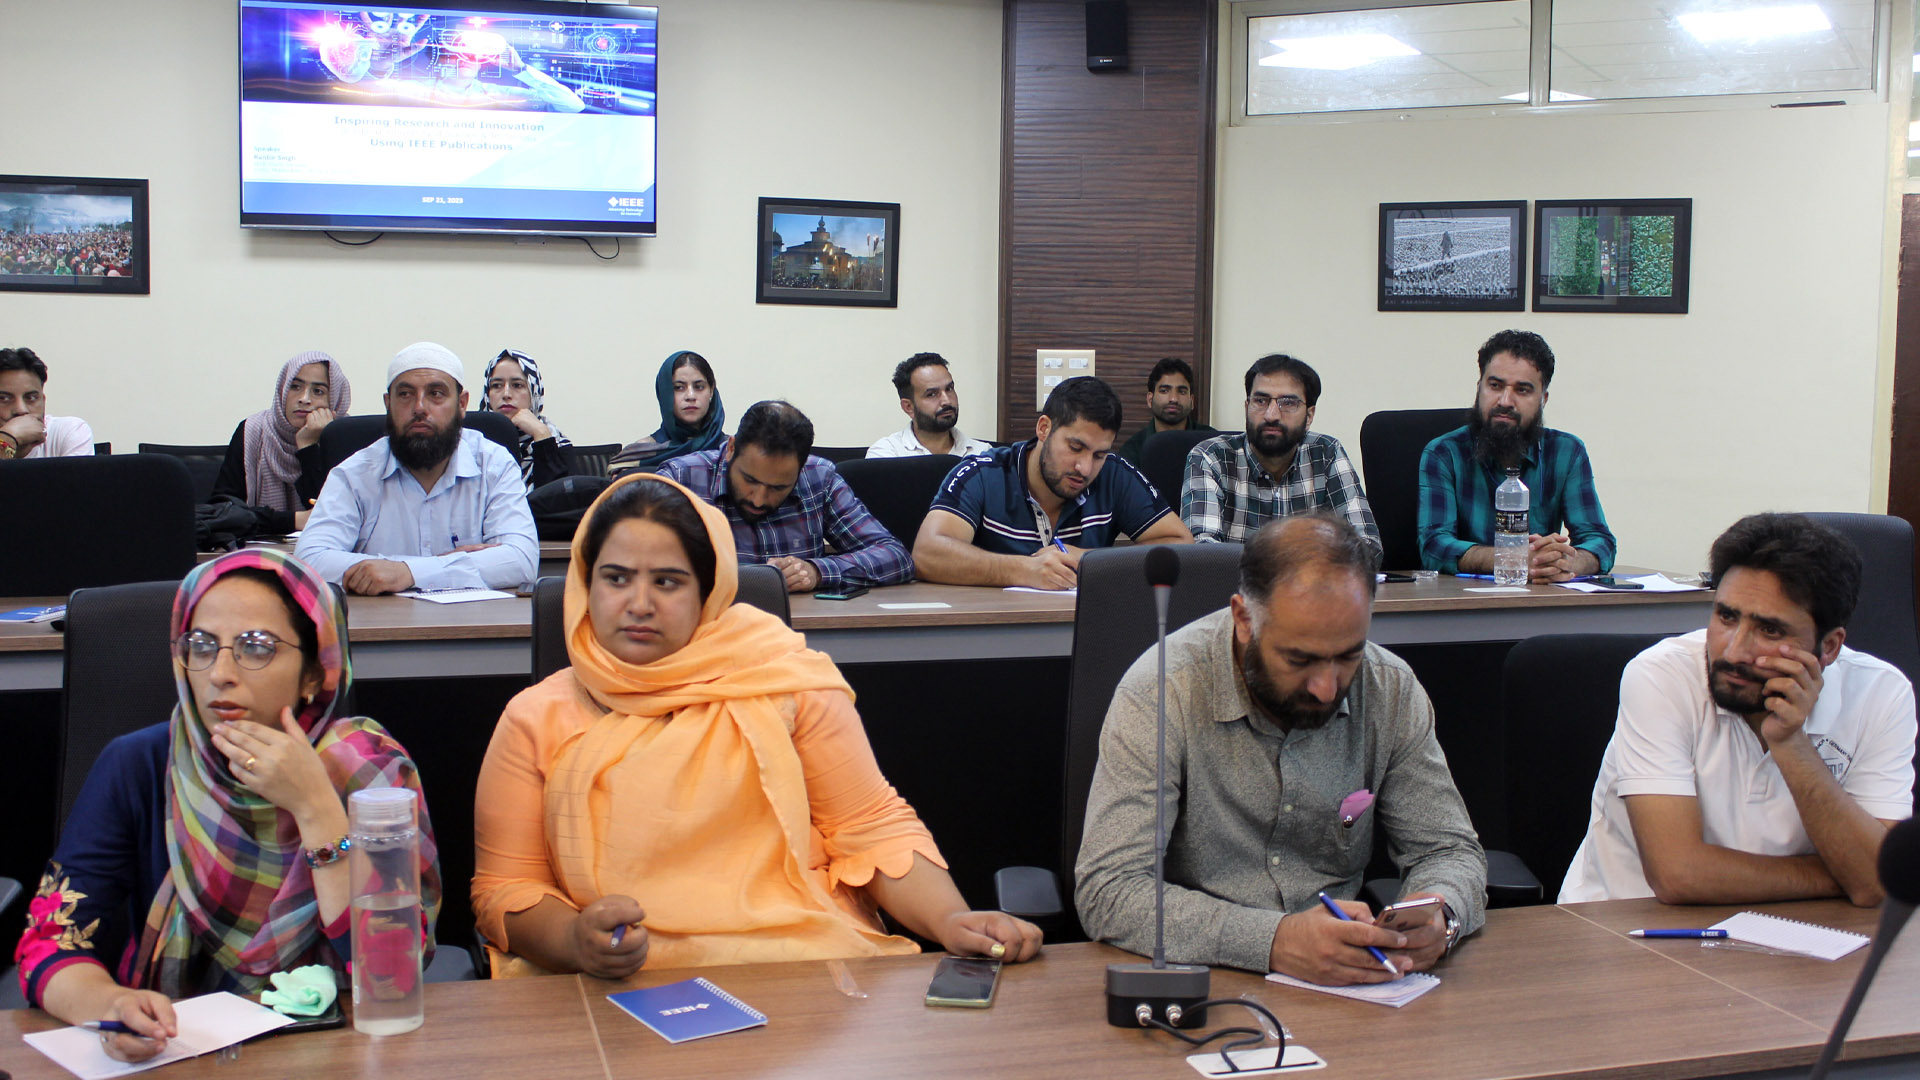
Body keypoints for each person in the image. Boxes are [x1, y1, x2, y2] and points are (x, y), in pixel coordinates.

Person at [469, 474, 1042, 977]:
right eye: (617, 578)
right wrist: (575, 941)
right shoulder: (536, 716)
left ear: (708, 591)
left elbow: (869, 827)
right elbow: (507, 887)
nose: (639, 603)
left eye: (667, 582)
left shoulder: (783, 678)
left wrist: (950, 919)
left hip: (800, 962)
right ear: (586, 585)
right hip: (619, 981)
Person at [12, 550, 441, 1061]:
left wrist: (314, 807)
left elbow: (395, 972)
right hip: (177, 1053)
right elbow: (49, 943)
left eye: (255, 647)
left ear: (313, 673)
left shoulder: (372, 774)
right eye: (201, 646)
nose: (220, 673)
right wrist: (113, 1004)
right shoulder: (139, 765)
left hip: (341, 1050)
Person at [1075, 514, 1486, 984]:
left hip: (1351, 982)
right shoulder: (1162, 691)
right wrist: (1274, 940)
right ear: (1244, 619)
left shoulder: (1389, 688)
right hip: (1204, 980)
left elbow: (1449, 850)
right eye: (1299, 659)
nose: (1327, 688)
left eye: (1348, 656)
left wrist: (1441, 914)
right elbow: (1109, 889)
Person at [1559, 513, 1915, 907]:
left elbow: (1877, 884)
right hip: (1625, 923)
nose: (1734, 651)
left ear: (1828, 647)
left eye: (1770, 630)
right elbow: (1678, 875)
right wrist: (1845, 875)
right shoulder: (1662, 676)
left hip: (1800, 928)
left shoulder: (1881, 693)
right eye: (1726, 617)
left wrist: (1791, 745)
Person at [296, 342, 538, 595]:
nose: (419, 407)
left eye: (436, 393)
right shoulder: (355, 474)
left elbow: (522, 560)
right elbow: (309, 560)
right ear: (388, 404)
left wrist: (407, 572)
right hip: (380, 619)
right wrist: (447, 566)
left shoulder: (494, 465)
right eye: (405, 394)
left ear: (462, 404)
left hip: (470, 618)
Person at [913, 376, 1192, 590]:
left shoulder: (1114, 474)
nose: (1085, 468)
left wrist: (1090, 560)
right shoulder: (982, 473)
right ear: (1044, 428)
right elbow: (927, 554)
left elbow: (1183, 545)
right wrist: (1023, 570)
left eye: (1099, 454)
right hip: (993, 632)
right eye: (1075, 448)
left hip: (1084, 630)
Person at [1417, 330, 1615, 581]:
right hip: (1462, 600)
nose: (1505, 401)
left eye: (1522, 390)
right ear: (1479, 389)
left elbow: (1599, 540)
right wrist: (1514, 559)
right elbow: (1434, 547)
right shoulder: (1444, 453)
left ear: (1543, 400)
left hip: (1539, 598)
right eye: (1495, 386)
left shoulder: (1567, 452)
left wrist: (1565, 562)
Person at [657, 401, 913, 593]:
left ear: (801, 468)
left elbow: (896, 557)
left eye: (778, 487)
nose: (759, 499)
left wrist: (817, 571)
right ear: (731, 448)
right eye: (750, 480)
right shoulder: (680, 479)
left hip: (798, 632)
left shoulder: (819, 478)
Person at [1182, 354, 1378, 552]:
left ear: (1309, 415)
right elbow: (1202, 551)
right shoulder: (1211, 457)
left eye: (1288, 403)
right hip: (1240, 576)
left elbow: (1366, 545)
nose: (1271, 415)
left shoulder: (1326, 453)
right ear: (1247, 407)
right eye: (1261, 401)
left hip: (1304, 576)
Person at [210, 350, 349, 533]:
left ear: (334, 401)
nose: (304, 399)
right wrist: (291, 521)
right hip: (255, 548)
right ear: (283, 390)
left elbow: (332, 516)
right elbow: (221, 513)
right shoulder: (252, 432)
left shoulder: (344, 439)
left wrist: (308, 448)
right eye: (295, 387)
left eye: (318, 391)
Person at [609, 351, 725, 477]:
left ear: (711, 390)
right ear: (665, 394)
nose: (690, 396)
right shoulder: (640, 453)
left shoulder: (730, 450)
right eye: (679, 387)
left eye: (699, 387)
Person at [478, 348, 576, 489]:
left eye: (517, 385)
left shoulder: (558, 445)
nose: (506, 394)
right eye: (496, 385)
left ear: (534, 393)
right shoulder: (473, 443)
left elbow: (556, 500)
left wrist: (542, 436)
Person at [867, 352, 993, 458]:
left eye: (949, 389)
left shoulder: (982, 453)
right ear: (908, 407)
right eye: (932, 394)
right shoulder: (886, 454)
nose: (946, 401)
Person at [1114, 357, 1214, 466]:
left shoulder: (1212, 442)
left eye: (1182, 392)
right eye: (1164, 391)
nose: (1173, 399)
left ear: (1192, 401)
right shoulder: (1132, 450)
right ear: (1150, 400)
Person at [0, 346, 94, 460]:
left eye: (31, 398)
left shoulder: (70, 431)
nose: (21, 410)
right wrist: (9, 437)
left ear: (43, 401)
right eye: (4, 399)